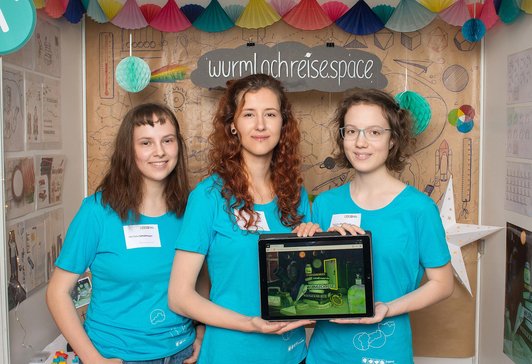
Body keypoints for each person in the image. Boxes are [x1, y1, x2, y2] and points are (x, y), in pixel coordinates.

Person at [168, 74, 318, 364]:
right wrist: (250, 323)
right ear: (233, 125)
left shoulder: (295, 193)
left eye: (270, 114)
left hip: (293, 353)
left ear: (283, 124)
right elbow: (179, 296)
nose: (260, 125)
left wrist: (321, 242)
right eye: (249, 114)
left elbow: (305, 282)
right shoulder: (209, 196)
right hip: (231, 353)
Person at [46, 103, 205, 364]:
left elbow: (200, 279)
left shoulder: (192, 209)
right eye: (146, 143)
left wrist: (200, 331)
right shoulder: (96, 212)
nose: (160, 152)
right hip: (116, 357)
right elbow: (57, 292)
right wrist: (93, 360)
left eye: (167, 140)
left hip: (183, 353)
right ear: (128, 151)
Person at [306, 89, 454, 364]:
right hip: (324, 354)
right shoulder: (324, 205)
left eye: (374, 132)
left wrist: (387, 308)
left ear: (392, 140)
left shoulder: (419, 209)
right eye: (351, 131)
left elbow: (443, 284)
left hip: (385, 353)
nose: (360, 142)